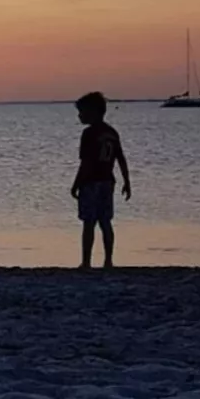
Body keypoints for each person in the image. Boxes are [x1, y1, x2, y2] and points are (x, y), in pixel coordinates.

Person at [70, 91, 131, 269]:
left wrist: (76, 184)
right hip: (108, 182)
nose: (79, 116)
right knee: (105, 222)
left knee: (89, 222)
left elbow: (86, 162)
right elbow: (121, 158)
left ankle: (87, 262)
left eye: (82, 112)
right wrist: (126, 181)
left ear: (94, 112)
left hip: (91, 182)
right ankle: (108, 261)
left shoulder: (89, 134)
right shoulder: (112, 132)